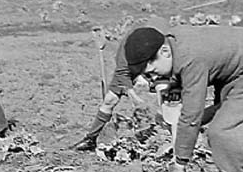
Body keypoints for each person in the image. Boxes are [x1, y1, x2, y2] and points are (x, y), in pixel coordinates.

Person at [123, 24, 243, 172]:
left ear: (164, 52)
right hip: (234, 72)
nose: (153, 78)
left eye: (153, 72)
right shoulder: (172, 46)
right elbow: (178, 88)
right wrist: (171, 86)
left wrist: (180, 163)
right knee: (220, 124)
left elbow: (191, 115)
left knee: (221, 133)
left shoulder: (191, 59)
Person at [71, 16, 172, 151]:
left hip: (159, 67)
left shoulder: (160, 45)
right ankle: (91, 139)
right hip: (132, 69)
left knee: (164, 94)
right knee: (110, 100)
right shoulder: (126, 50)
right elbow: (122, 73)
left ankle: (168, 136)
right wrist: (133, 96)